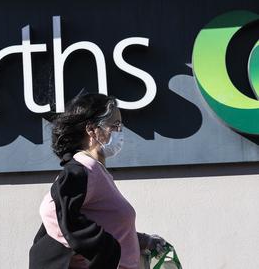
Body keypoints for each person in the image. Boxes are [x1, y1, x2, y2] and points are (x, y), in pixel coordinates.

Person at [29, 93, 167, 269]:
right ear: (92, 130)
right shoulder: (83, 168)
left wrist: (144, 241)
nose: (120, 132)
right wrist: (101, 249)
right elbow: (51, 210)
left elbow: (111, 227)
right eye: (115, 125)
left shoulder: (97, 171)